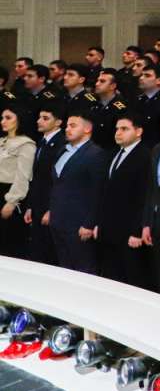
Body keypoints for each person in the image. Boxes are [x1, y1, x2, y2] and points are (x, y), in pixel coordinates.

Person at [47, 106, 107, 274]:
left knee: (84, 269)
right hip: (58, 220)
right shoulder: (62, 150)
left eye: (73, 125)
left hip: (79, 224)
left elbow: (98, 192)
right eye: (67, 125)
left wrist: (89, 223)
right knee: (64, 268)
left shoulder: (95, 154)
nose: (67, 129)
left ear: (87, 129)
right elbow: (57, 184)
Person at [95, 114, 149, 288]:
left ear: (138, 131)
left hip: (129, 231)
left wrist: (137, 231)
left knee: (131, 279)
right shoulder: (113, 153)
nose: (118, 132)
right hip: (108, 229)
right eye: (117, 129)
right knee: (110, 277)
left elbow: (143, 197)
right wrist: (98, 224)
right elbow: (105, 193)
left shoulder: (145, 156)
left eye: (124, 129)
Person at [23, 106, 64, 265]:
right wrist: (30, 206)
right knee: (36, 248)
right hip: (38, 203)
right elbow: (36, 177)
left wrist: (51, 209)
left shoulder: (61, 143)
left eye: (45, 118)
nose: (39, 121)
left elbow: (57, 181)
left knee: (48, 252)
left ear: (58, 122)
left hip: (50, 205)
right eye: (39, 117)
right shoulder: (42, 141)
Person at [0, 106, 35, 257]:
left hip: (10, 193)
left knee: (8, 243)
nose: (3, 121)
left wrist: (12, 201)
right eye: (2, 118)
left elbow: (23, 175)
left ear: (19, 119)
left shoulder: (26, 144)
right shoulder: (2, 140)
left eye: (8, 118)